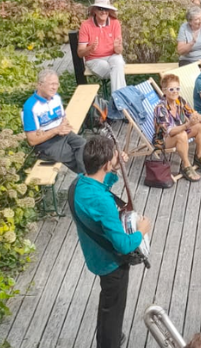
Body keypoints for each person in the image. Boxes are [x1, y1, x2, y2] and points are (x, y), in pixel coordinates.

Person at [71, 135, 151, 348]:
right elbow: (124, 245)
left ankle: (109, 336)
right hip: (111, 264)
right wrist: (141, 231)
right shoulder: (102, 202)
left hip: (94, 254)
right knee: (113, 308)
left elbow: (100, 186)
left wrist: (112, 169)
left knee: (108, 303)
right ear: (106, 164)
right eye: (114, 158)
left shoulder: (79, 183)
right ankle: (109, 342)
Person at [153, 74, 201, 181]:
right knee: (182, 134)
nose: (175, 91)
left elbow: (192, 115)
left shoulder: (180, 101)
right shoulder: (160, 109)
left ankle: (199, 156)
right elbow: (170, 132)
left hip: (181, 133)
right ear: (164, 91)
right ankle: (186, 165)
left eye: (177, 88)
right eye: (171, 89)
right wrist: (187, 125)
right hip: (164, 140)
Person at [23, 69, 86, 174]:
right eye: (51, 84)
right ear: (40, 85)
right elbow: (32, 140)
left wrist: (64, 125)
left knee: (85, 146)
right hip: (46, 144)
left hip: (63, 134)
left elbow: (63, 118)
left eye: (56, 84)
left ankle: (88, 179)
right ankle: (87, 181)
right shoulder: (30, 107)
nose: (54, 87)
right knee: (71, 155)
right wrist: (55, 130)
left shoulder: (56, 98)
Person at [77, 0, 127, 93]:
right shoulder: (86, 25)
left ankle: (117, 100)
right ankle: (121, 99)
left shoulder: (115, 23)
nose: (103, 12)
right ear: (94, 10)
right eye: (100, 8)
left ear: (109, 11)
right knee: (117, 70)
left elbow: (119, 51)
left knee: (118, 61)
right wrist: (90, 48)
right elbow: (80, 53)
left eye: (106, 9)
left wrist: (117, 47)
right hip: (94, 60)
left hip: (113, 56)